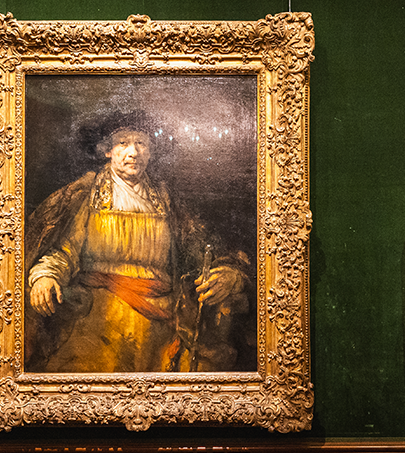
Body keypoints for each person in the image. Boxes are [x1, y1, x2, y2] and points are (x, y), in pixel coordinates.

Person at [23, 127, 251, 373]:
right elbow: (62, 251)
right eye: (123, 143)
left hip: (161, 325)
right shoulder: (85, 194)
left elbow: (203, 249)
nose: (133, 152)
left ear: (151, 152)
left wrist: (230, 275)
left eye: (141, 144)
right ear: (108, 151)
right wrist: (45, 276)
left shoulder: (165, 199)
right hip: (97, 323)